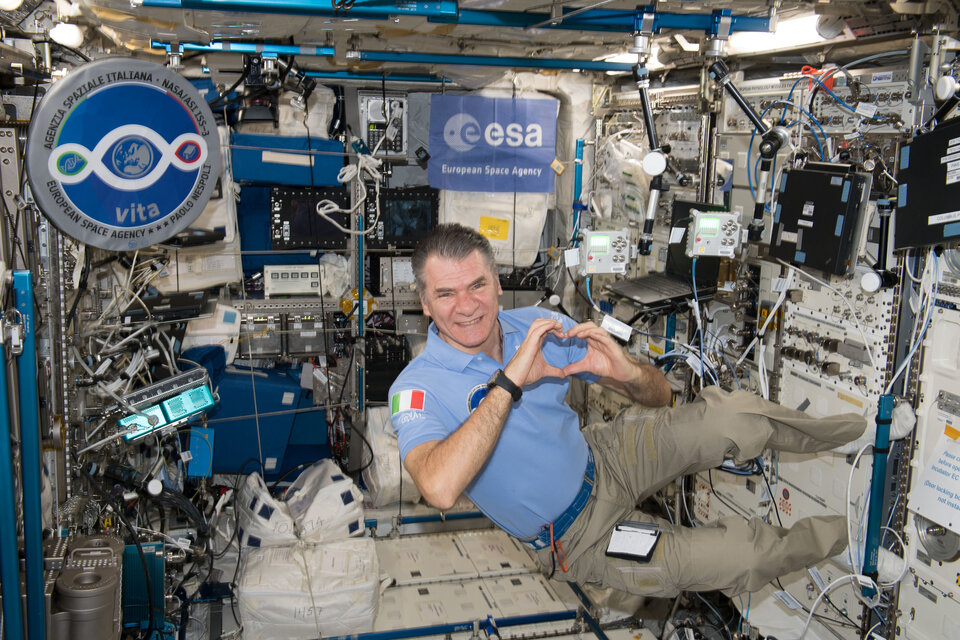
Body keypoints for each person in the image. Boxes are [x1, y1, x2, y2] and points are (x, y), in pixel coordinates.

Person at [389, 223, 910, 597]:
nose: (467, 305)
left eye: (478, 284)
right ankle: (848, 543)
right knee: (740, 558)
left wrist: (625, 371)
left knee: (732, 417)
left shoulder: (535, 324)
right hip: (578, 537)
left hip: (607, 456)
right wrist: (509, 379)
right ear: (425, 301)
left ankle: (861, 431)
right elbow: (438, 487)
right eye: (447, 293)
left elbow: (660, 396)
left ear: (497, 283)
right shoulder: (416, 389)